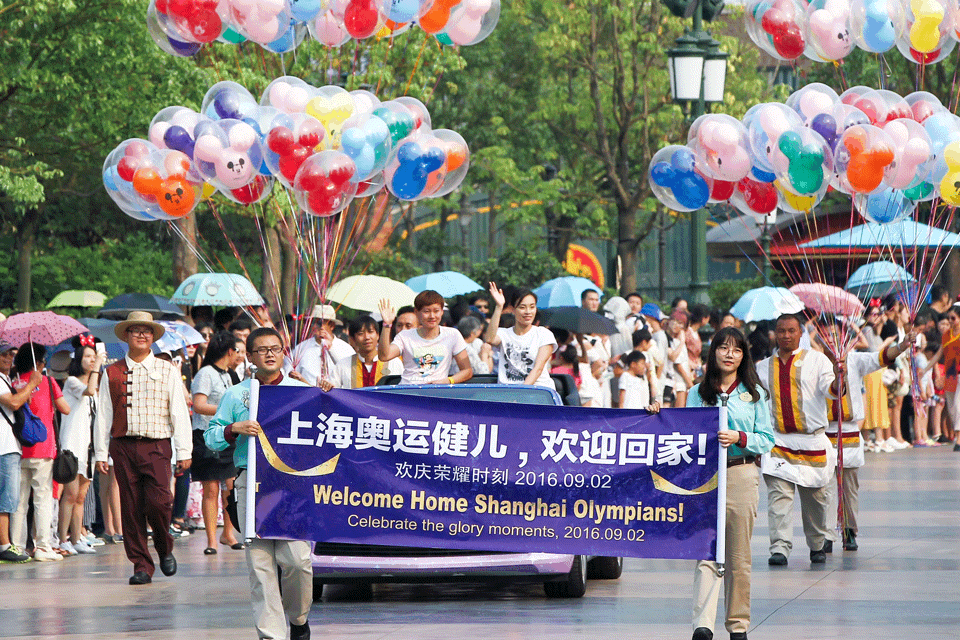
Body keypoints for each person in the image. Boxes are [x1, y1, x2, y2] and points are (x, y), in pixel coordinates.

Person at [205, 327, 312, 640]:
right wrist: (233, 428)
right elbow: (211, 437)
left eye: (275, 348)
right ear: (250, 356)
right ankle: (271, 635)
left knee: (297, 560)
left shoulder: (299, 390)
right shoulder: (236, 394)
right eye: (262, 349)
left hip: (292, 485)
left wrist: (326, 393)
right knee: (261, 564)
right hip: (251, 482)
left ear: (283, 352)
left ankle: (298, 619)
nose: (269, 354)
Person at [687, 327, 774, 640]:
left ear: (743, 356)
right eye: (723, 347)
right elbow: (681, 431)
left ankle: (738, 626)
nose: (729, 354)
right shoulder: (697, 393)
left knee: (738, 555)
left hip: (740, 473)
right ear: (713, 352)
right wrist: (656, 414)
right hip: (706, 478)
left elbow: (767, 438)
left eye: (736, 350)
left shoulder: (755, 394)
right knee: (707, 549)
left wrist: (740, 437)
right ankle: (703, 625)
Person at [94, 311, 192, 585]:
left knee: (160, 502)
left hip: (157, 445)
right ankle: (141, 564)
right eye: (135, 330)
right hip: (123, 446)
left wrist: (185, 450)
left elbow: (178, 411)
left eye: (146, 331)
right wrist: (100, 452)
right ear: (126, 336)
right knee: (131, 507)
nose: (141, 335)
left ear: (153, 337)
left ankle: (164, 547)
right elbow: (103, 414)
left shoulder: (167, 369)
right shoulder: (111, 372)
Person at [819, 317, 916, 553]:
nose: (832, 340)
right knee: (824, 489)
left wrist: (902, 346)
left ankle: (849, 530)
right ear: (820, 340)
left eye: (836, 335)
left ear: (845, 339)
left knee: (849, 487)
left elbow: (880, 358)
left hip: (850, 432)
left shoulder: (855, 360)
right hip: (822, 433)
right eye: (827, 336)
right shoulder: (814, 363)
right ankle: (825, 534)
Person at [756, 314, 838, 567]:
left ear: (800, 333)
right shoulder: (762, 367)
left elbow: (832, 390)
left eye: (791, 330)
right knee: (778, 498)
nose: (786, 335)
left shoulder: (818, 360)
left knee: (816, 500)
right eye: (781, 330)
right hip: (778, 441)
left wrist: (840, 375)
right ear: (775, 333)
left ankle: (817, 544)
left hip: (811, 441)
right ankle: (779, 547)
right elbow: (757, 405)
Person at [10, 343, 71, 562]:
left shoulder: (13, 383)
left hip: (18, 449)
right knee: (43, 499)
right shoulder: (48, 382)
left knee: (19, 502)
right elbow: (66, 408)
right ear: (39, 363)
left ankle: (17, 547)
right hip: (43, 448)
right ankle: (43, 547)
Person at [191, 332, 242, 555]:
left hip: (228, 435)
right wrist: (226, 412)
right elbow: (199, 405)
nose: (238, 355)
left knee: (230, 487)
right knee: (211, 489)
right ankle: (211, 540)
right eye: (237, 351)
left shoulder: (231, 375)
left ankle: (228, 533)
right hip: (207, 435)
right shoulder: (205, 373)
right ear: (229, 351)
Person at [57, 338, 107, 555]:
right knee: (70, 495)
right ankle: (62, 538)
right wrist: (98, 367)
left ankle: (77, 538)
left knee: (81, 497)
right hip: (72, 447)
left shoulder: (94, 387)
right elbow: (89, 390)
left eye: (94, 356)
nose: (92, 359)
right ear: (78, 359)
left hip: (88, 448)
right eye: (87, 356)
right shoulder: (72, 382)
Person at [379, 290, 473, 384]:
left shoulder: (452, 335)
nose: (432, 316)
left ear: (442, 312)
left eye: (436, 311)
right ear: (416, 312)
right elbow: (384, 356)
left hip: (437, 390)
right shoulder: (405, 336)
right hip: (408, 389)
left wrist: (448, 380)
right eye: (426, 311)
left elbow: (467, 371)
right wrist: (387, 325)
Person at [0, 342, 40, 563]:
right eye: (3, 354)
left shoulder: (6, 379)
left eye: (10, 354)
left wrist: (27, 391)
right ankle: (5, 545)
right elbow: (14, 403)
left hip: (10, 445)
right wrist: (32, 383)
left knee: (9, 497)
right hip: (3, 447)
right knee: (6, 498)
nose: (8, 358)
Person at [485, 284, 558, 387]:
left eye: (532, 307)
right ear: (513, 309)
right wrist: (499, 307)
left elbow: (538, 369)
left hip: (538, 390)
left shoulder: (544, 334)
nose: (528, 312)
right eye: (522, 307)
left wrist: (521, 392)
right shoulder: (504, 334)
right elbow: (489, 339)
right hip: (507, 392)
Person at [325, 316, 402, 389]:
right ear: (353, 339)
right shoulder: (344, 365)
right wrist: (327, 385)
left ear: (378, 335)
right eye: (360, 333)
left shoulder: (394, 363)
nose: (367, 337)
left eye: (370, 332)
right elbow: (332, 386)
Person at [291, 305, 354, 385]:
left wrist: (332, 348)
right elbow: (290, 375)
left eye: (319, 323)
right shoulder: (300, 349)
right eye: (312, 322)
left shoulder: (346, 349)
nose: (315, 326)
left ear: (331, 326)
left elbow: (351, 375)